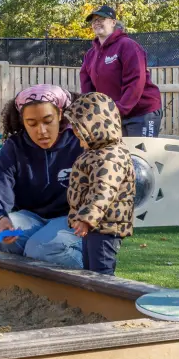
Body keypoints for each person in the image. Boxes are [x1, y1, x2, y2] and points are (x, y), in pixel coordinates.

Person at [0, 84, 85, 269]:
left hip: (73, 220)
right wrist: (1, 220)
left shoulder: (80, 142)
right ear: (22, 122)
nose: (41, 131)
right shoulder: (14, 148)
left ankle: (89, 276)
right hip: (32, 219)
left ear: (60, 115)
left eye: (47, 120)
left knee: (42, 248)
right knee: (3, 238)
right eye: (32, 124)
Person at [64, 92, 136, 275]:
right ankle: (92, 301)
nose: (80, 142)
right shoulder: (97, 153)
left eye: (82, 137)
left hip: (105, 226)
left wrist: (87, 219)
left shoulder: (109, 157)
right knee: (89, 270)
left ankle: (107, 302)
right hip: (97, 225)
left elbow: (104, 191)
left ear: (96, 130)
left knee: (101, 271)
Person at [80, 5, 164, 138]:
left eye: (101, 18)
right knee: (118, 156)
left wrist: (119, 110)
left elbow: (136, 81)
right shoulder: (90, 55)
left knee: (139, 157)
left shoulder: (127, 45)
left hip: (141, 113)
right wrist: (91, 111)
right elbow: (87, 87)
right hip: (113, 114)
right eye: (94, 20)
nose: (96, 22)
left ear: (113, 22)